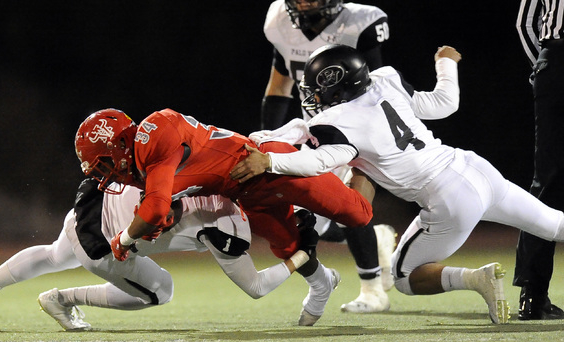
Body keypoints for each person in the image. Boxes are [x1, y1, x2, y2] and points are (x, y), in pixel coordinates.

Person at [230, 43, 564, 324]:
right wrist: (446, 62)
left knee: (402, 278)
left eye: (319, 89)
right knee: (553, 224)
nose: (314, 96)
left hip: (448, 199)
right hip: (474, 168)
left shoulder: (336, 121)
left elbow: (317, 161)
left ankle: (478, 278)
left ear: (338, 87)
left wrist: (269, 160)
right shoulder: (384, 81)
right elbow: (445, 104)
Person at [74, 108, 374, 326]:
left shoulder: (157, 130)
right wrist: (168, 215)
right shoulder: (141, 168)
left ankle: (368, 158)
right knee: (288, 247)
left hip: (268, 167)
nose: (106, 174)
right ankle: (323, 285)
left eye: (104, 164)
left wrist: (124, 239)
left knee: (359, 215)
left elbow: (153, 208)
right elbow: (171, 198)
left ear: (121, 145)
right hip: (247, 193)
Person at [0, 179, 308, 331]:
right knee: (161, 290)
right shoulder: (229, 224)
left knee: (54, 255)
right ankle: (61, 300)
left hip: (93, 205)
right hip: (108, 242)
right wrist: (301, 257)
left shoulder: (211, 166)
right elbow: (257, 287)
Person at [261, 0, 396, 314]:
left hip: (360, 131)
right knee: (303, 222)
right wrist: (270, 138)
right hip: (318, 134)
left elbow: (380, 89)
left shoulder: (361, 22)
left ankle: (373, 290)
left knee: (349, 204)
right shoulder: (279, 21)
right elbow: (279, 86)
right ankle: (376, 240)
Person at [514, 0, 564, 320]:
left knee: (547, 181)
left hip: (556, 59)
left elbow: (526, 24)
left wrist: (543, 66)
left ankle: (532, 295)